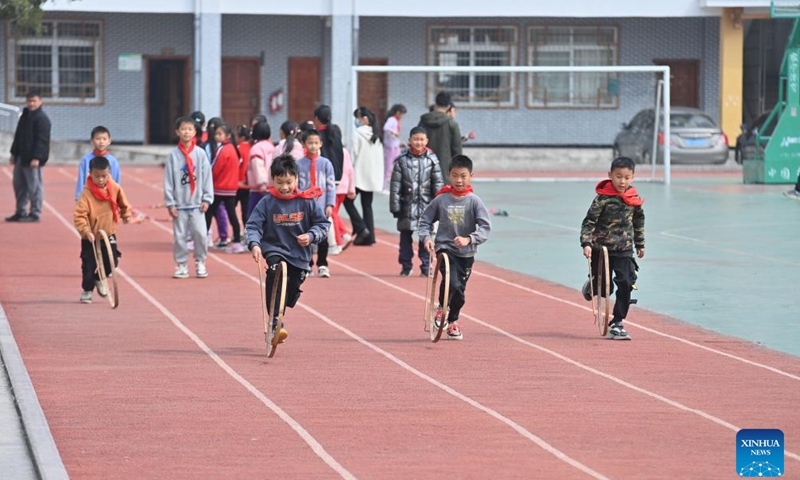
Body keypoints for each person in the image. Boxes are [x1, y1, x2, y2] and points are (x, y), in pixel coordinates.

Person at [246, 155, 330, 346]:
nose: (284, 187)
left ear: (296, 180)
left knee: (290, 291)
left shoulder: (306, 202)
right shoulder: (267, 202)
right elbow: (253, 226)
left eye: (288, 182)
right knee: (275, 272)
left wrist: (310, 236)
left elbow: (323, 224)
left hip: (299, 256)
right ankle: (275, 322)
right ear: (272, 181)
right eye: (279, 182)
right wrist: (255, 244)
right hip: (275, 249)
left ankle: (279, 313)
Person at [419, 154, 491, 340]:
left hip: (466, 254)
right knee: (452, 282)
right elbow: (425, 221)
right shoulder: (441, 200)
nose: (459, 180)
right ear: (449, 175)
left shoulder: (474, 201)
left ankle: (452, 321)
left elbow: (485, 228)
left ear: (470, 176)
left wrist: (469, 239)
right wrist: (426, 238)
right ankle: (441, 309)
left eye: (463, 176)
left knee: (460, 291)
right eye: (455, 175)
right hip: (445, 248)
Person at [580, 156, 645, 341]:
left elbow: (639, 221)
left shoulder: (633, 198)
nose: (622, 181)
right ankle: (592, 284)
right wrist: (586, 243)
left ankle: (617, 322)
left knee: (626, 283)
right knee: (604, 289)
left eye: (626, 177)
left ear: (632, 177)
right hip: (601, 249)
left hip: (624, 249)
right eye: (618, 176)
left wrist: (640, 244)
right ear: (610, 175)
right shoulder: (602, 199)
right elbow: (589, 222)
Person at [73, 156, 132, 303]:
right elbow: (79, 215)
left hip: (108, 232)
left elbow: (123, 202)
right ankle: (87, 290)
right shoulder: (86, 194)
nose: (101, 180)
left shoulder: (114, 188)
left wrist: (125, 214)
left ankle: (99, 278)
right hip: (91, 235)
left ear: (109, 173)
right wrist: (86, 232)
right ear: (90, 174)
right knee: (88, 264)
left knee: (112, 261)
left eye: (104, 176)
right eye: (97, 176)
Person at [389, 126, 444, 277]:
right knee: (405, 238)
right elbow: (395, 185)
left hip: (427, 207)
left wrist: (439, 205)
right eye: (415, 139)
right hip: (406, 206)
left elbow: (438, 184)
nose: (418, 142)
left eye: (421, 139)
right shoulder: (402, 161)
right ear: (409, 141)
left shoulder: (432, 160)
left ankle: (426, 266)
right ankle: (406, 266)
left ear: (426, 141)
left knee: (425, 238)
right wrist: (395, 206)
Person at [164, 116, 214, 279]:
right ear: (177, 132)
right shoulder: (173, 156)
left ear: (195, 132)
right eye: (183, 129)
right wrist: (170, 203)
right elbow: (168, 180)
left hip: (197, 204)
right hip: (179, 204)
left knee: (200, 234)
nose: (186, 132)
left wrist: (207, 199)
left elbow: (207, 177)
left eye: (190, 129)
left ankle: (200, 261)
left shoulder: (200, 154)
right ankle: (182, 264)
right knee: (179, 236)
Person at [7, 90, 51, 223]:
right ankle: (20, 211)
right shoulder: (25, 117)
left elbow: (42, 140)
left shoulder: (42, 119)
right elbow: (18, 136)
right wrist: (14, 153)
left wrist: (37, 157)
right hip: (21, 157)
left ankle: (35, 213)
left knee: (34, 187)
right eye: (29, 101)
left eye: (34, 101)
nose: (31, 104)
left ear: (40, 102)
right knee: (19, 185)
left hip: (33, 160)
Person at [297, 129, 336, 277]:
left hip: (321, 206)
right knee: (305, 237)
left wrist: (330, 204)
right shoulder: (298, 164)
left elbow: (331, 185)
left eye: (316, 143)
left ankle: (322, 263)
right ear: (304, 144)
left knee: (322, 237)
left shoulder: (326, 164)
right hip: (305, 206)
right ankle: (307, 264)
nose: (313, 146)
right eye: (310, 143)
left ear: (321, 143)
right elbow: (296, 185)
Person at [205, 123, 245, 254]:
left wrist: (209, 180)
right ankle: (237, 242)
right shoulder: (234, 148)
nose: (217, 136)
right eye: (216, 134)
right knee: (232, 215)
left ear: (227, 136)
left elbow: (215, 168)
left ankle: (203, 238)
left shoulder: (223, 150)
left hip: (220, 187)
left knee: (209, 213)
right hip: (231, 188)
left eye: (220, 134)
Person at [349, 106, 384, 246]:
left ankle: (361, 228)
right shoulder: (377, 134)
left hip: (358, 175)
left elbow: (352, 154)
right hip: (371, 176)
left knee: (347, 200)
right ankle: (369, 236)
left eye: (357, 118)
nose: (356, 121)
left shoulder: (357, 133)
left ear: (363, 119)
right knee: (367, 205)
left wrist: (349, 172)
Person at [418, 91, 462, 181]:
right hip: (444, 170)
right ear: (448, 107)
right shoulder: (452, 124)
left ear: (435, 104)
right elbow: (457, 151)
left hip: (424, 168)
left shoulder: (423, 121)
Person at [75, 126, 121, 201]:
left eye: (104, 139)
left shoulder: (113, 162)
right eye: (98, 139)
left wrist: (118, 199)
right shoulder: (85, 160)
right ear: (91, 141)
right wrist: (78, 198)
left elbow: (116, 182)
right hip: (90, 199)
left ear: (109, 141)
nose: (101, 142)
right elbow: (81, 180)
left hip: (107, 199)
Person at [246, 121, 275, 219]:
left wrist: (262, 183)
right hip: (272, 186)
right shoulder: (271, 146)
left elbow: (258, 167)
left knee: (254, 216)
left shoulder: (256, 148)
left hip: (259, 189)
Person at [383, 104, 407, 190]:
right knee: (388, 167)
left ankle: (390, 186)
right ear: (397, 112)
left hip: (395, 146)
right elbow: (386, 128)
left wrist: (400, 142)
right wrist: (394, 133)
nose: (402, 116)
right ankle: (384, 186)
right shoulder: (391, 119)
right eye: (402, 114)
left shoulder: (396, 121)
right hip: (390, 147)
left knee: (395, 167)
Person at [235, 124, 252, 223]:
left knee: (230, 209)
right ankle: (247, 233)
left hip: (238, 183)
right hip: (248, 184)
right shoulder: (252, 147)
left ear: (242, 137)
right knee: (245, 210)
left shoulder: (238, 148)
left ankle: (235, 232)